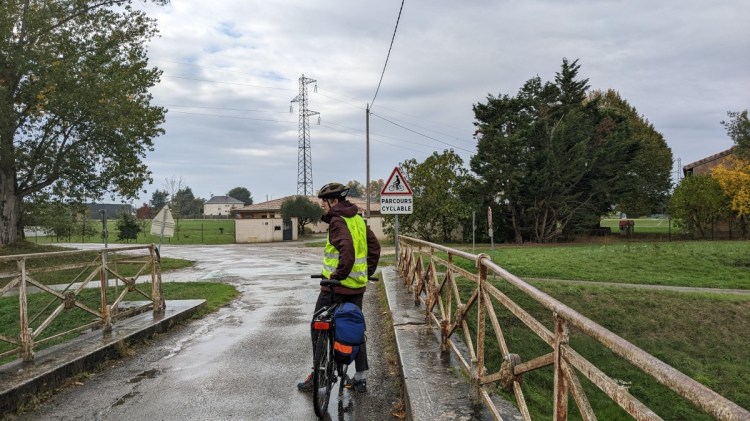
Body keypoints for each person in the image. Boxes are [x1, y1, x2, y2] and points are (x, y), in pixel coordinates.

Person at [297, 182, 381, 393]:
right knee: (355, 328)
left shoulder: (337, 221)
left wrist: (337, 276)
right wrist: (366, 273)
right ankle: (360, 378)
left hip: (335, 288)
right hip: (357, 287)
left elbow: (347, 249)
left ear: (333, 201)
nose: (323, 206)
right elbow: (375, 248)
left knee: (318, 325)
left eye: (324, 202)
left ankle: (320, 374)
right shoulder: (358, 219)